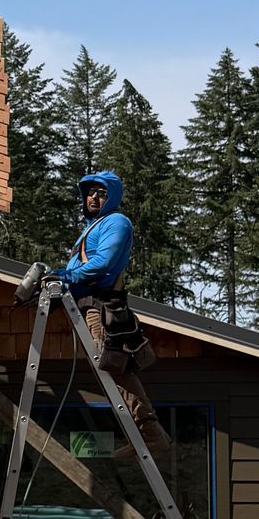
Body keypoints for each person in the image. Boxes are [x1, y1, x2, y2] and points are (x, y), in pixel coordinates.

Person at [43, 170, 172, 461]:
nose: (94, 197)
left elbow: (103, 263)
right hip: (88, 306)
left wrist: (66, 275)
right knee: (113, 369)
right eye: (90, 191)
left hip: (100, 306)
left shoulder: (116, 222)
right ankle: (147, 436)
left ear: (112, 197)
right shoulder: (93, 227)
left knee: (115, 367)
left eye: (101, 192)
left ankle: (151, 436)